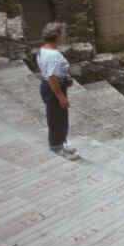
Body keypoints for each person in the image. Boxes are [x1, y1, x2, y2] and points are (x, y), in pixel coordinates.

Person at [37, 22, 78, 160]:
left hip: (48, 86)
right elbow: (52, 78)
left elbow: (42, 70)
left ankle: (60, 144)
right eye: (63, 34)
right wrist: (61, 97)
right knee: (57, 119)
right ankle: (57, 149)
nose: (64, 36)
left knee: (58, 117)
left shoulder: (43, 50)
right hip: (54, 88)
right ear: (58, 36)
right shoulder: (53, 56)